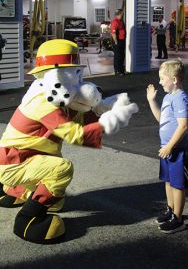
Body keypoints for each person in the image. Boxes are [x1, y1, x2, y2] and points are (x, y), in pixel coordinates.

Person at [0, 39, 138, 244]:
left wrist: (105, 108)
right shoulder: (42, 102)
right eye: (72, 74)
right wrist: (110, 121)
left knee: (56, 195)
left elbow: (80, 118)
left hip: (27, 156)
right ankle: (28, 220)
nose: (78, 81)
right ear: (56, 75)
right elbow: (75, 134)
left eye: (78, 74)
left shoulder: (57, 97)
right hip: (14, 162)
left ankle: (16, 191)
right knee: (61, 170)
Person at [146, 59, 188, 233]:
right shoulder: (168, 97)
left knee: (177, 184)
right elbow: (161, 120)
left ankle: (178, 219)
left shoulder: (180, 99)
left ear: (174, 79)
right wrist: (152, 101)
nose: (159, 82)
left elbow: (183, 126)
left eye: (162, 78)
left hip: (178, 149)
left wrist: (170, 147)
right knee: (168, 181)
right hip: (168, 147)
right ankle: (171, 210)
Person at [111, 9, 126, 75]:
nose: (123, 15)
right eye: (122, 14)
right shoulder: (115, 21)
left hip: (122, 40)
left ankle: (121, 69)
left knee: (122, 55)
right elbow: (113, 33)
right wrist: (116, 42)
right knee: (118, 56)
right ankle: (118, 71)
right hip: (117, 41)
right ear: (119, 14)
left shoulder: (121, 21)